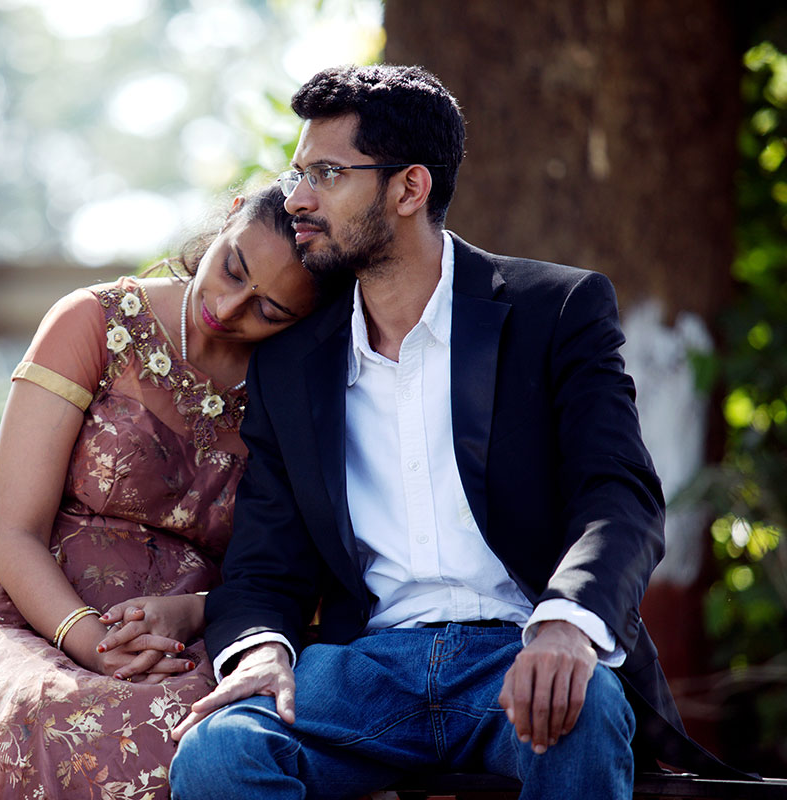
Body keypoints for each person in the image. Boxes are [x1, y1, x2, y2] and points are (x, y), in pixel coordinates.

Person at [169, 65, 747, 800]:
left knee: (582, 711)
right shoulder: (293, 362)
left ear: (409, 189)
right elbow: (265, 562)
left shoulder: (555, 310)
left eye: (327, 174)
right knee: (219, 755)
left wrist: (567, 624)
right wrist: (259, 650)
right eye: (299, 172)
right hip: (364, 668)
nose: (297, 198)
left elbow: (619, 496)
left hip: (519, 652)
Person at [0, 183, 325, 800]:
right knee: (35, 713)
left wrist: (201, 610)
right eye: (232, 269)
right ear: (230, 217)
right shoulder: (96, 322)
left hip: (194, 634)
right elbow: (11, 531)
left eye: (270, 311)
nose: (229, 308)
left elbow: (296, 566)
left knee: (215, 740)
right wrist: (90, 642)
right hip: (30, 610)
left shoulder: (297, 384)